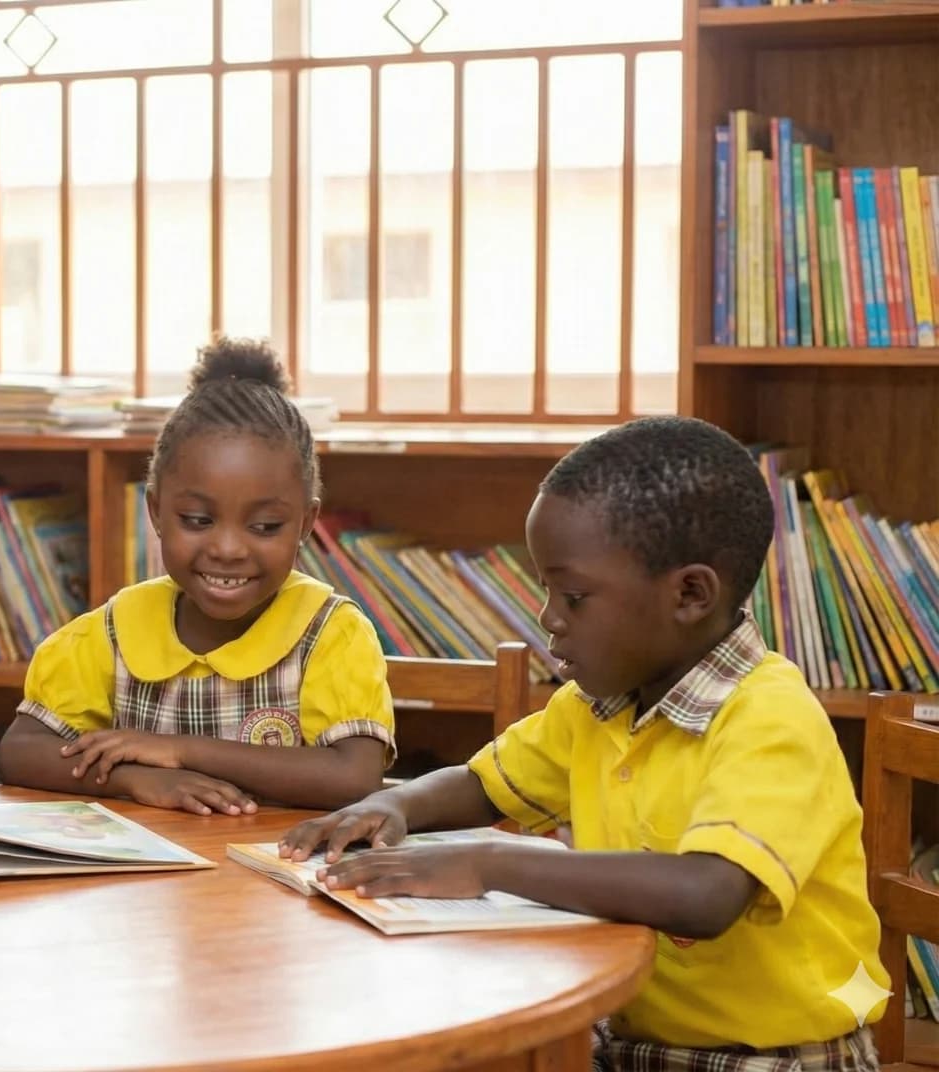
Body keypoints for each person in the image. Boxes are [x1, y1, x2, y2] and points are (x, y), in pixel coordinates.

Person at [281, 415, 888, 1070]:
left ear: (690, 594)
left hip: (777, 1059)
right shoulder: (600, 703)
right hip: (627, 1039)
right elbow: (483, 784)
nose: (548, 618)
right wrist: (392, 806)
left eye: (573, 597)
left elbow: (706, 893)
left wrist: (488, 864)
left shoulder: (770, 719)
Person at [0, 338, 394, 815]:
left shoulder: (330, 633)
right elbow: (20, 753)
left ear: (306, 523)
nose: (227, 549)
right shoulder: (115, 630)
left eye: (265, 526)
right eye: (198, 521)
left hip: (279, 861)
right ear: (156, 511)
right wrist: (135, 779)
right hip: (155, 863)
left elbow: (355, 778)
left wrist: (180, 751)